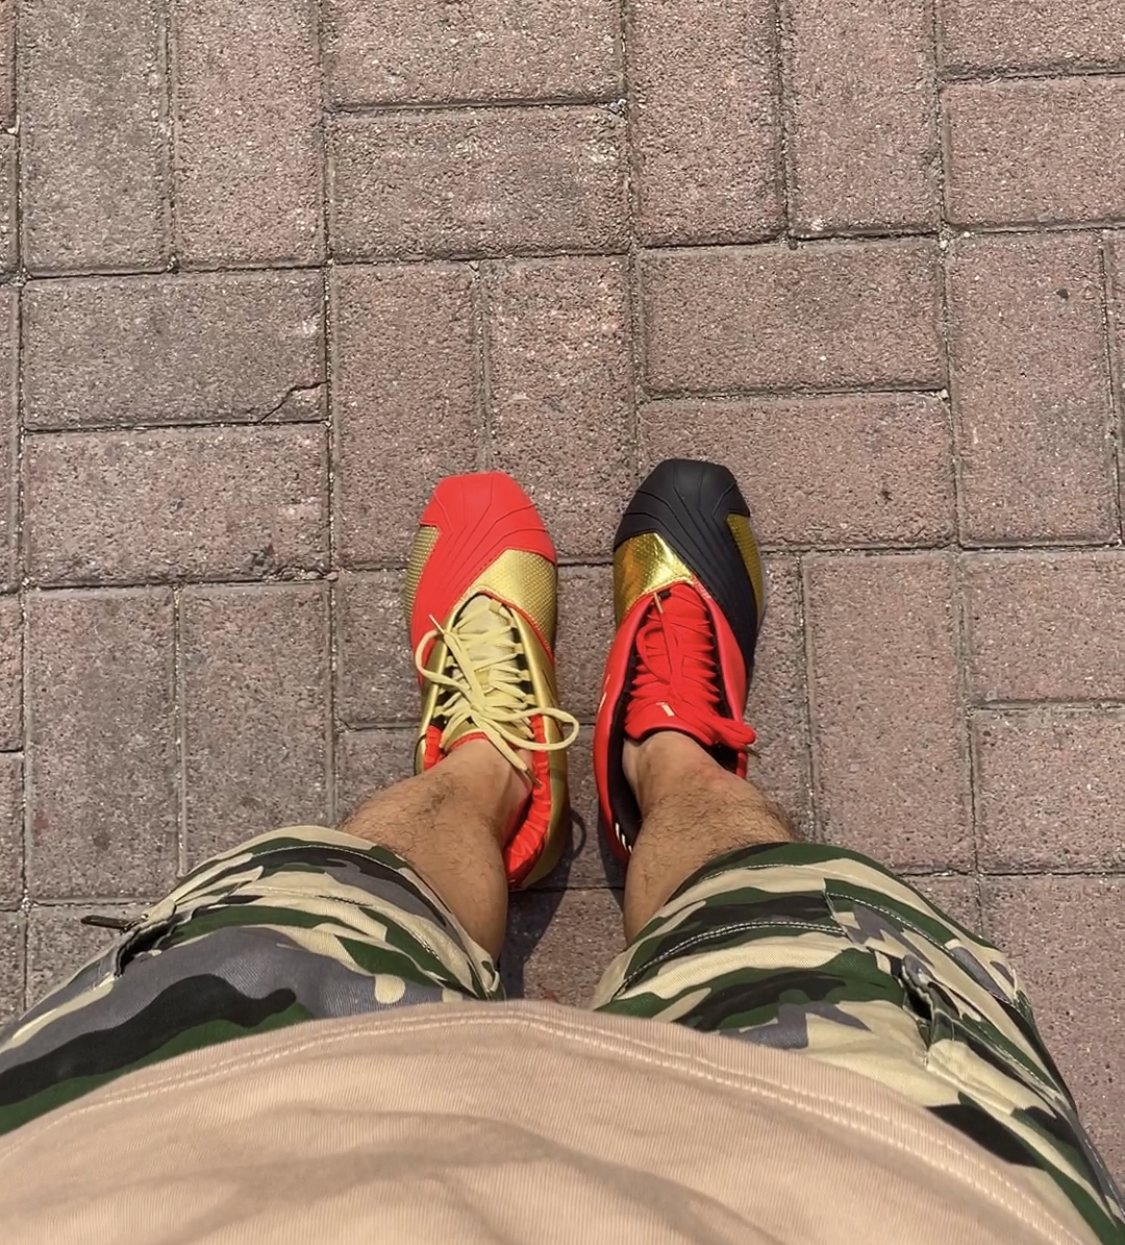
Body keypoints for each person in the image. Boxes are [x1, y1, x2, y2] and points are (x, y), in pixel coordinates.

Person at [1, 460, 1120, 1245]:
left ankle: (487, 771)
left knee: (302, 929)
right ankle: (672, 760)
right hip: (879, 1187)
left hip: (151, 1168)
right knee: (788, 937)